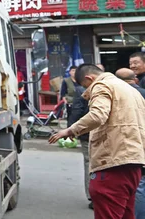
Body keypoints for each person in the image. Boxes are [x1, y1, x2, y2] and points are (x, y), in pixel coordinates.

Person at [50, 64, 145, 219]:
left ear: (90, 78)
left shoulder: (102, 85)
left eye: (86, 87)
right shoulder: (131, 91)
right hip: (133, 163)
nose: (86, 92)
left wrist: (70, 130)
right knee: (126, 213)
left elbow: (97, 115)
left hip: (112, 163)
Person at [116, 68, 145, 218]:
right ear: (135, 79)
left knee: (138, 185)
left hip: (132, 145)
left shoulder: (120, 95)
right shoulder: (142, 92)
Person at [66, 74, 89, 209]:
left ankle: (92, 196)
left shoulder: (82, 91)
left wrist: (71, 130)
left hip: (88, 132)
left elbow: (77, 110)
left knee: (90, 162)